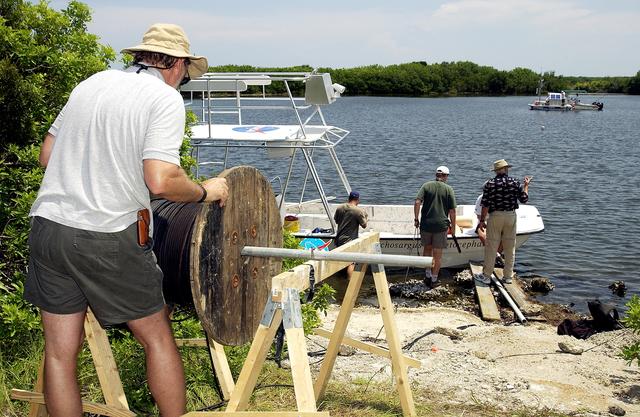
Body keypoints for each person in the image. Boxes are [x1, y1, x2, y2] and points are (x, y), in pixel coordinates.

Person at [24, 24, 229, 417]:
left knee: (59, 354)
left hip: (49, 226)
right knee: (156, 339)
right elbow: (161, 179)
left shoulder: (91, 83)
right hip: (108, 235)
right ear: (179, 65)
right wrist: (206, 191)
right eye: (186, 75)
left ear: (141, 56)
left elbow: (47, 155)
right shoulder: (164, 99)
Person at [475, 159, 531, 285]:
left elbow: (485, 204)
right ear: (506, 169)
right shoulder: (515, 182)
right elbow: (524, 199)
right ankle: (508, 277)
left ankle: (487, 275)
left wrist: (482, 220)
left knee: (491, 246)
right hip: (511, 216)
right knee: (510, 247)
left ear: (496, 171)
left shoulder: (490, 184)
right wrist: (526, 186)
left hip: (495, 216)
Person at [414, 166, 456, 289]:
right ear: (445, 176)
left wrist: (416, 219)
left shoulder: (426, 186)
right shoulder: (449, 189)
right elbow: (452, 210)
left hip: (426, 224)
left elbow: (417, 201)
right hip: (441, 226)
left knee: (427, 249)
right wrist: (453, 227)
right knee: (437, 254)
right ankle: (434, 279)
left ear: (436, 175)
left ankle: (427, 275)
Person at [333, 191, 368, 278]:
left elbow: (337, 221)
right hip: (349, 240)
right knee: (351, 263)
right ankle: (350, 284)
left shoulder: (340, 208)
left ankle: (339, 280)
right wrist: (365, 217)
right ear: (358, 200)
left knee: (342, 261)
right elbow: (364, 225)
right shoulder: (358, 211)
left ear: (349, 198)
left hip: (339, 239)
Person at [474, 193, 504, 266]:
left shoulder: (499, 197)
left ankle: (496, 256)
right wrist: (483, 222)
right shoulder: (481, 198)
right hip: (483, 222)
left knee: (505, 235)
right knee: (481, 234)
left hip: (496, 222)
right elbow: (478, 215)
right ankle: (496, 255)